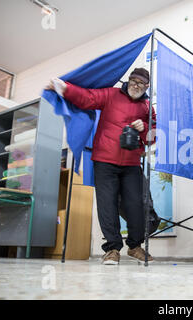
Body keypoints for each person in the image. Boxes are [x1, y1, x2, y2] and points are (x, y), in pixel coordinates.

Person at [46, 68, 156, 265]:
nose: (135, 85)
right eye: (133, 81)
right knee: (107, 205)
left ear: (147, 86)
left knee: (137, 205)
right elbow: (87, 98)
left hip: (131, 163)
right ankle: (113, 249)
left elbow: (152, 138)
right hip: (105, 160)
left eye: (141, 83)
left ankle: (135, 246)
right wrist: (63, 88)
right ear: (128, 80)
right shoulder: (111, 94)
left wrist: (145, 128)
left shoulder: (148, 107)